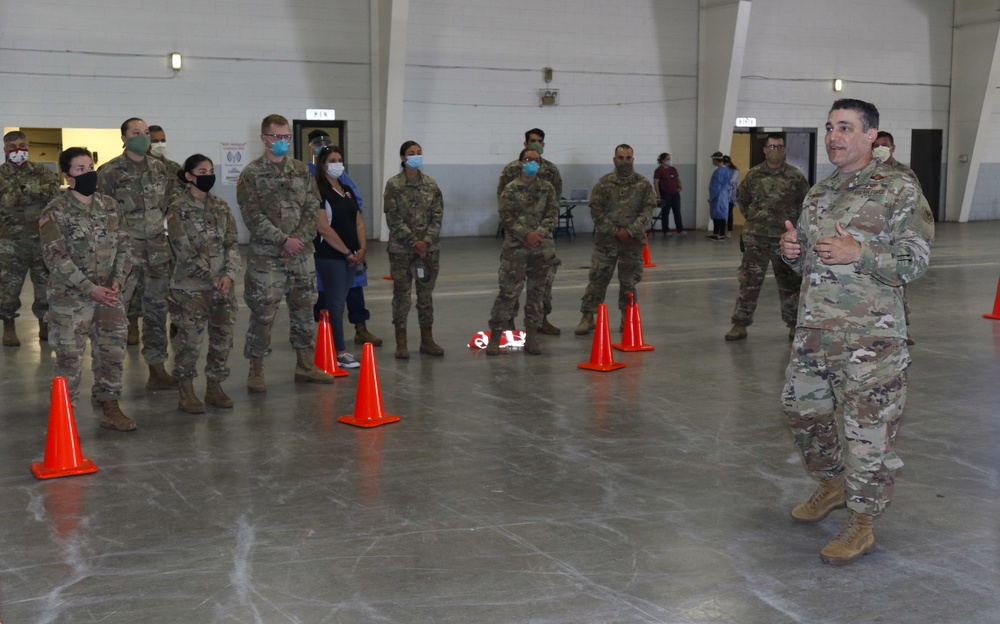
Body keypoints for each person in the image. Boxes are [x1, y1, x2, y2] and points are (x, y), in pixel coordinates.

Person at [779, 99, 933, 565]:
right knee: (801, 410)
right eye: (829, 127)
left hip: (873, 337)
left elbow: (916, 261)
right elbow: (809, 260)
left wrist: (859, 253)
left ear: (871, 136)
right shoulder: (819, 192)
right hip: (815, 330)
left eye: (845, 127)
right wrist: (792, 252)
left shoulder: (897, 187)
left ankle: (862, 522)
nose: (833, 136)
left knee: (868, 432)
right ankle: (832, 483)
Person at [40, 147, 135, 431]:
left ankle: (109, 406)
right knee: (69, 361)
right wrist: (89, 287)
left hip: (109, 295)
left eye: (90, 166)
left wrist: (118, 279)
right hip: (70, 300)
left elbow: (124, 244)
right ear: (68, 177)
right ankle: (64, 419)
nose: (88, 173)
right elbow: (55, 257)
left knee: (112, 354)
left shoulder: (110, 205)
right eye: (80, 169)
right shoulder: (54, 211)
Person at [237, 113, 334, 391]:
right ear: (264, 138)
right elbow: (252, 215)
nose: (282, 142)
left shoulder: (302, 171)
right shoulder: (251, 174)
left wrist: (299, 240)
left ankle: (305, 365)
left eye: (286, 137)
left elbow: (313, 206)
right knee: (263, 313)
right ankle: (256, 370)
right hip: (267, 257)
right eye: (277, 137)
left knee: (304, 309)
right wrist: (283, 241)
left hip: (301, 255)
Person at [96, 117, 176, 389]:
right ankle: (107, 381)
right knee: (115, 318)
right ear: (124, 138)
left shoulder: (160, 169)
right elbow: (102, 215)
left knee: (156, 313)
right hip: (124, 258)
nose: (142, 137)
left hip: (156, 255)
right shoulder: (109, 171)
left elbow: (165, 208)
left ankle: (157, 370)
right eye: (136, 133)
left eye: (145, 133)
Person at [166, 155, 241, 413]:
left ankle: (214, 387)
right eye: (201, 171)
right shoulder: (177, 208)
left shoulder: (220, 206)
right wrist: (214, 277)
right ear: (188, 176)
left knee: (222, 338)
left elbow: (233, 242)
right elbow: (183, 248)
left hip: (223, 287)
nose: (208, 175)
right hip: (190, 288)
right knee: (189, 341)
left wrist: (229, 274)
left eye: (211, 170)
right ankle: (185, 391)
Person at [724, 134, 810, 341]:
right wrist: (756, 221)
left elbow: (804, 204)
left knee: (790, 283)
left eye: (780, 146)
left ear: (786, 150)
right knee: (749, 281)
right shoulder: (754, 175)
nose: (776, 149)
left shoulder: (795, 176)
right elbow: (742, 201)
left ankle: (794, 324)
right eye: (772, 146)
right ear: (765, 150)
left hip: (785, 240)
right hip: (757, 238)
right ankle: (740, 324)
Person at [307, 130, 382, 347]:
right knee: (323, 290)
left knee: (355, 286)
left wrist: (360, 246)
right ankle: (324, 334)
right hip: (325, 245)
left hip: (349, 241)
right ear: (311, 149)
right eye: (318, 144)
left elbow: (355, 203)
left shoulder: (344, 180)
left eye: (326, 143)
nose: (336, 164)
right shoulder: (307, 174)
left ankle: (361, 328)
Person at [575, 144, 656, 335]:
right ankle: (588, 317)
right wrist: (615, 231)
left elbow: (647, 211)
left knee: (629, 283)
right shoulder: (603, 184)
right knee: (597, 279)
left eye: (628, 158)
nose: (625, 162)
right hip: (606, 242)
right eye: (621, 158)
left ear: (633, 160)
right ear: (614, 159)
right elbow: (597, 211)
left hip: (632, 243)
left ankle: (627, 317)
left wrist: (630, 231)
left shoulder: (643, 185)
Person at [486, 147, 558, 356]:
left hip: (541, 248)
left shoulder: (547, 189)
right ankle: (496, 336)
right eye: (528, 159)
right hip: (516, 248)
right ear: (520, 163)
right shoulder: (510, 189)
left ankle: (532, 336)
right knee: (508, 293)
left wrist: (538, 234)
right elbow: (506, 217)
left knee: (537, 293)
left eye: (536, 160)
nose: (532, 163)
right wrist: (526, 235)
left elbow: (552, 214)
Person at [496, 128, 562, 335]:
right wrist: (523, 233)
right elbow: (502, 199)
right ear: (525, 144)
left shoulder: (551, 171)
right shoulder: (511, 170)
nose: (536, 144)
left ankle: (540, 320)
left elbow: (554, 203)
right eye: (532, 141)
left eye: (539, 141)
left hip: (543, 239)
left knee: (543, 284)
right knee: (511, 283)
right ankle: (509, 323)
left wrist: (539, 233)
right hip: (517, 238)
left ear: (544, 145)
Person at [383, 140, 445, 359]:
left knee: (425, 296)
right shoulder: (394, 185)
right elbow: (393, 217)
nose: (416, 156)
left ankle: (427, 340)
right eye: (411, 153)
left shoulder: (431, 184)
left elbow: (437, 216)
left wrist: (425, 242)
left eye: (419, 152)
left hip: (428, 250)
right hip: (402, 249)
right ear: (402, 158)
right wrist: (413, 241)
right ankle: (401, 342)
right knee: (401, 295)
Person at [0, 130, 61, 346]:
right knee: (9, 288)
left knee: (45, 285)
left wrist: (22, 191)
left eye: (22, 145)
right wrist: (37, 191)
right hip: (10, 242)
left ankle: (44, 324)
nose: (19, 150)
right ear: (6, 151)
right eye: (14, 147)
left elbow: (55, 192)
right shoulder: (1, 174)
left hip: (40, 239)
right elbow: (7, 200)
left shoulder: (40, 170)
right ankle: (8, 324)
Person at [313, 145, 365, 370]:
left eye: (340, 159)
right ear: (323, 165)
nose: (337, 164)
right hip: (331, 256)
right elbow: (323, 228)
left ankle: (336, 347)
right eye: (332, 160)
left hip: (353, 256)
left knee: (341, 300)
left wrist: (361, 249)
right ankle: (339, 352)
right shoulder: (318, 191)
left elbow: (358, 221)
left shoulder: (347, 189)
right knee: (335, 303)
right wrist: (346, 252)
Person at [873, 131, 924, 346]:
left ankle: (903, 329)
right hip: (873, 238)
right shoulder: (866, 170)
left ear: (893, 148)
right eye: (876, 145)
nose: (879, 148)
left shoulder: (905, 173)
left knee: (899, 285)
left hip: (897, 239)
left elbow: (917, 203)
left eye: (884, 145)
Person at [653, 152, 684, 235]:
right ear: (662, 160)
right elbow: (656, 182)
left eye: (669, 159)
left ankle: (680, 229)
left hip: (675, 194)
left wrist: (680, 187)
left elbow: (678, 179)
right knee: (665, 212)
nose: (669, 160)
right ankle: (666, 230)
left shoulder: (673, 169)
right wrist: (658, 195)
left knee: (677, 211)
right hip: (665, 194)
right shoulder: (659, 170)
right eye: (667, 159)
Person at [707, 151, 730, 240]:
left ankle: (722, 233)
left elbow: (717, 185)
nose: (712, 162)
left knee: (720, 214)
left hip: (719, 195)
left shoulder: (720, 171)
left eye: (713, 160)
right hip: (720, 194)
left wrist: (712, 196)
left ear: (716, 160)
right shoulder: (724, 170)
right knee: (716, 214)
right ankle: (716, 232)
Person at [725, 155, 739, 237]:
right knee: (723, 213)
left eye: (727, 163)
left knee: (729, 213)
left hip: (731, 195)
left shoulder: (735, 170)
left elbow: (732, 180)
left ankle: (729, 231)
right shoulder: (723, 169)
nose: (726, 164)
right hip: (724, 195)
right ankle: (722, 230)